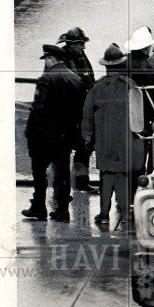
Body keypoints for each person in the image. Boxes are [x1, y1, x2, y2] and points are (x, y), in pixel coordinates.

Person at [81, 43, 146, 230]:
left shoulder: (97, 87)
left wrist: (88, 139)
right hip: (124, 140)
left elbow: (86, 116)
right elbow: (139, 118)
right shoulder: (131, 87)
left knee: (106, 175)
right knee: (123, 175)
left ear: (106, 66)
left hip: (103, 141)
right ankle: (125, 214)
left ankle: (103, 214)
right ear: (121, 64)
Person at [22, 44, 83, 222]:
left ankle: (39, 207)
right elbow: (79, 110)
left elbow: (38, 109)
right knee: (62, 172)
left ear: (50, 58)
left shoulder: (45, 79)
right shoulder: (75, 79)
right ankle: (62, 210)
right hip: (64, 136)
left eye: (46, 59)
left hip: (43, 136)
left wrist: (30, 132)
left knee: (39, 172)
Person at [57, 27, 95, 191]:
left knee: (84, 148)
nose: (82, 47)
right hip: (68, 114)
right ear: (71, 44)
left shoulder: (81, 57)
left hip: (82, 112)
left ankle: (81, 182)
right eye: (79, 44)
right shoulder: (64, 60)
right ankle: (62, 185)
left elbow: (89, 77)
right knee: (62, 152)